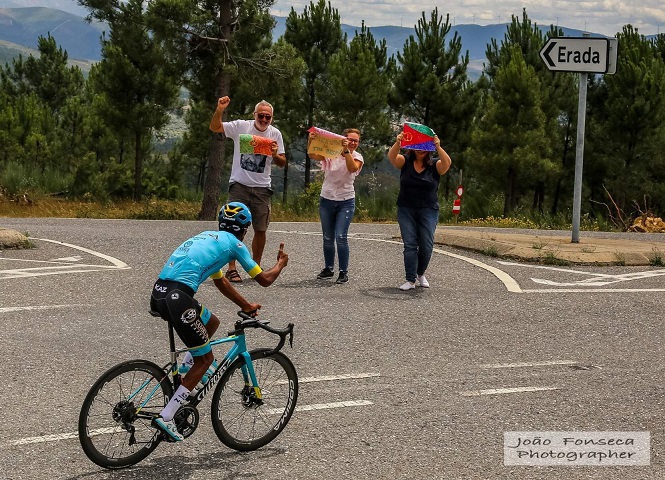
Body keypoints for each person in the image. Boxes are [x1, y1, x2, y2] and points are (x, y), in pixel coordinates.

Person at [149, 201, 289, 441]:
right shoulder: (234, 245)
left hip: (160, 294)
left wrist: (245, 305)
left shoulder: (208, 237)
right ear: (245, 230)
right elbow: (264, 279)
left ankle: (186, 371)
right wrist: (280, 264)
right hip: (178, 299)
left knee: (211, 322)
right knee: (206, 359)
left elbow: (220, 280)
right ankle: (167, 416)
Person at [209, 96, 287, 283]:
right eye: (261, 116)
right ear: (254, 115)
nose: (264, 120)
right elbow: (215, 127)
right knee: (232, 228)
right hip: (239, 185)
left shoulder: (275, 134)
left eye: (268, 117)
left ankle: (255, 267)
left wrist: (275, 154)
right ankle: (232, 268)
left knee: (260, 229)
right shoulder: (241, 126)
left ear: (272, 119)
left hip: (262, 188)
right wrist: (220, 109)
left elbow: (283, 162)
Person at [387, 131, 452, 291]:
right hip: (406, 208)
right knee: (410, 244)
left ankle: (420, 273)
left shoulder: (435, 165)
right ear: (413, 147)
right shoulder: (406, 161)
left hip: (428, 209)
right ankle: (410, 279)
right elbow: (392, 157)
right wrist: (398, 143)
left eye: (424, 146)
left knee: (426, 245)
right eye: (418, 145)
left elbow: (447, 164)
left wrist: (438, 145)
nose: (421, 149)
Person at [307, 128, 364, 284]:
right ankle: (328, 268)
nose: (352, 142)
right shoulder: (331, 152)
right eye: (349, 139)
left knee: (340, 237)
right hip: (327, 198)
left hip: (345, 200)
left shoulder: (357, 157)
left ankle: (343, 271)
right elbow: (313, 154)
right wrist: (311, 140)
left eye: (355, 141)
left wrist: (346, 151)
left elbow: (353, 168)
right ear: (342, 138)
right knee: (327, 237)